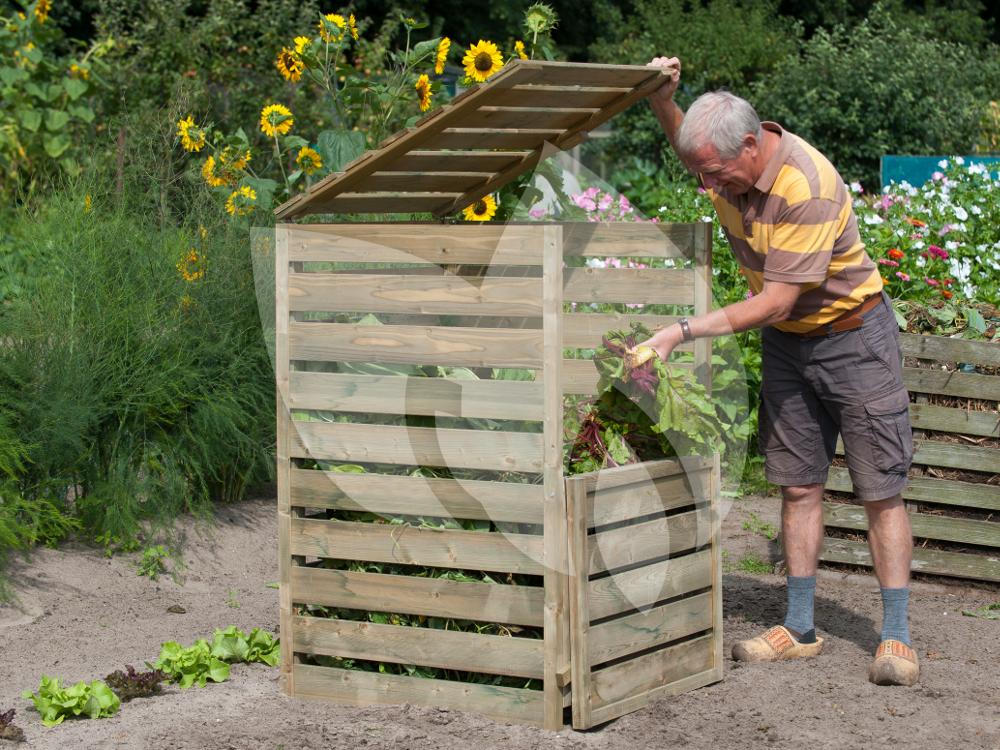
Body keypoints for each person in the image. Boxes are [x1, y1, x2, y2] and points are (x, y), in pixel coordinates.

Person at [636, 56, 919, 686]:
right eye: (704, 172)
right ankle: (799, 627)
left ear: (749, 144)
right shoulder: (730, 164)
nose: (709, 183)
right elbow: (697, 155)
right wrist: (663, 98)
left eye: (716, 172)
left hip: (853, 338)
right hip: (790, 346)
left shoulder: (806, 185)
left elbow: (776, 301)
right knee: (796, 485)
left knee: (879, 490)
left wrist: (678, 334)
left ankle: (896, 638)